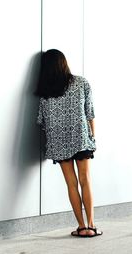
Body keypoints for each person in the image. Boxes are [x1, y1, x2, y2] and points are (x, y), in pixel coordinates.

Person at [34, 49, 103, 238]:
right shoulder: (81, 83)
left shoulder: (45, 92)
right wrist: (92, 138)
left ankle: (81, 227)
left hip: (58, 142)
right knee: (85, 180)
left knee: (71, 184)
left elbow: (41, 121)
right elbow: (90, 113)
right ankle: (91, 225)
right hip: (81, 138)